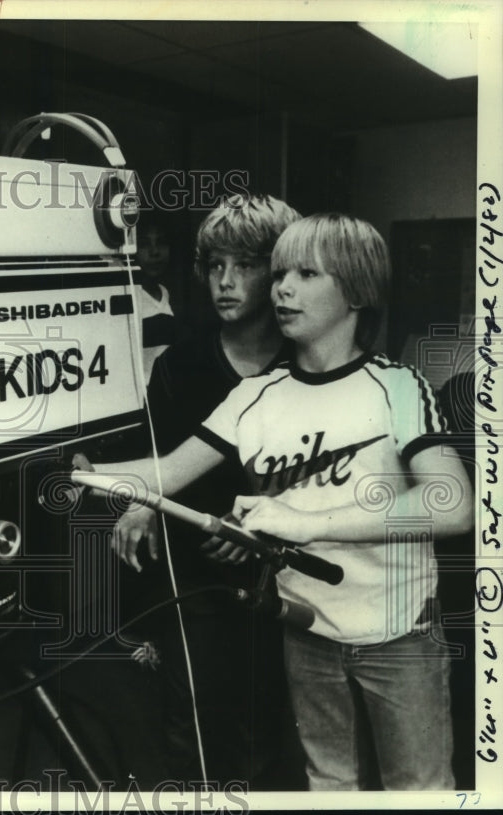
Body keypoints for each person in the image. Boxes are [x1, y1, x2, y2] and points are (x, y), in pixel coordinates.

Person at [88, 213, 472, 790]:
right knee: (328, 782)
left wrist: (305, 522)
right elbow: (165, 472)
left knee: (418, 790)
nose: (282, 289)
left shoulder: (396, 385)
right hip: (307, 633)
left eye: (306, 273)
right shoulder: (256, 394)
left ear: (357, 291)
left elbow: (452, 504)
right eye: (282, 273)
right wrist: (74, 470)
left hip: (399, 636)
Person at [107, 193, 302, 785]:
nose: (226, 281)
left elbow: (322, 476)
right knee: (190, 722)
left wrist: (265, 527)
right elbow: (163, 464)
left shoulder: (308, 364)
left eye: (244, 266)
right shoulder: (180, 365)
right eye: (216, 266)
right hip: (193, 571)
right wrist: (139, 504)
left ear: (278, 274)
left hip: (283, 571)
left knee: (273, 724)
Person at [134, 220, 176, 384]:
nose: (155, 252)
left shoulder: (165, 292)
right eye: (144, 244)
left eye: (161, 242)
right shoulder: (130, 296)